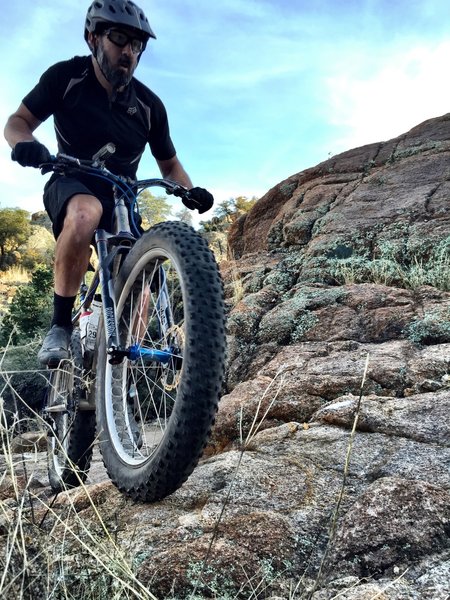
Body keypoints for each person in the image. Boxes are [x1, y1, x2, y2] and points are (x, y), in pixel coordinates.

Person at [4, 0, 214, 367]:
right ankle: (59, 326)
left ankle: (115, 374)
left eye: (138, 46)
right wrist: (25, 145)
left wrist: (188, 191)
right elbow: (18, 120)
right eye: (120, 39)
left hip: (123, 198)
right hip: (71, 180)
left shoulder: (149, 106)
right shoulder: (65, 78)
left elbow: (170, 165)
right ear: (92, 38)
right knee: (87, 213)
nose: (129, 52)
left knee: (144, 272)